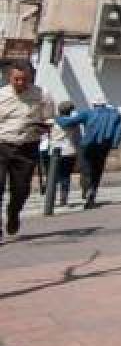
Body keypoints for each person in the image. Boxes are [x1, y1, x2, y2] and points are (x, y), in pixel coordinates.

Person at [0, 65, 52, 238]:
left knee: (21, 189)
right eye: (17, 79)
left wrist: (43, 127)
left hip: (27, 148)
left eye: (25, 79)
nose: (21, 82)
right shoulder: (1, 95)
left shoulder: (42, 94)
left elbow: (49, 118)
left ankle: (13, 213)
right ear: (9, 78)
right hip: (2, 145)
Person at [60, 100, 121, 208]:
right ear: (105, 104)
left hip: (88, 144)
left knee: (86, 168)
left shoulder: (88, 113)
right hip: (104, 145)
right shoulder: (116, 114)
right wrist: (114, 144)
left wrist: (57, 118)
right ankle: (92, 192)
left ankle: (86, 189)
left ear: (94, 105)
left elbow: (70, 122)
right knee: (98, 169)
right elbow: (119, 130)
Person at [46, 101, 81, 207]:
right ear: (70, 111)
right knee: (65, 176)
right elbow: (77, 138)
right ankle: (63, 199)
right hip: (69, 151)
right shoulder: (74, 123)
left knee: (53, 176)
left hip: (54, 151)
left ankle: (50, 200)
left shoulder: (52, 122)